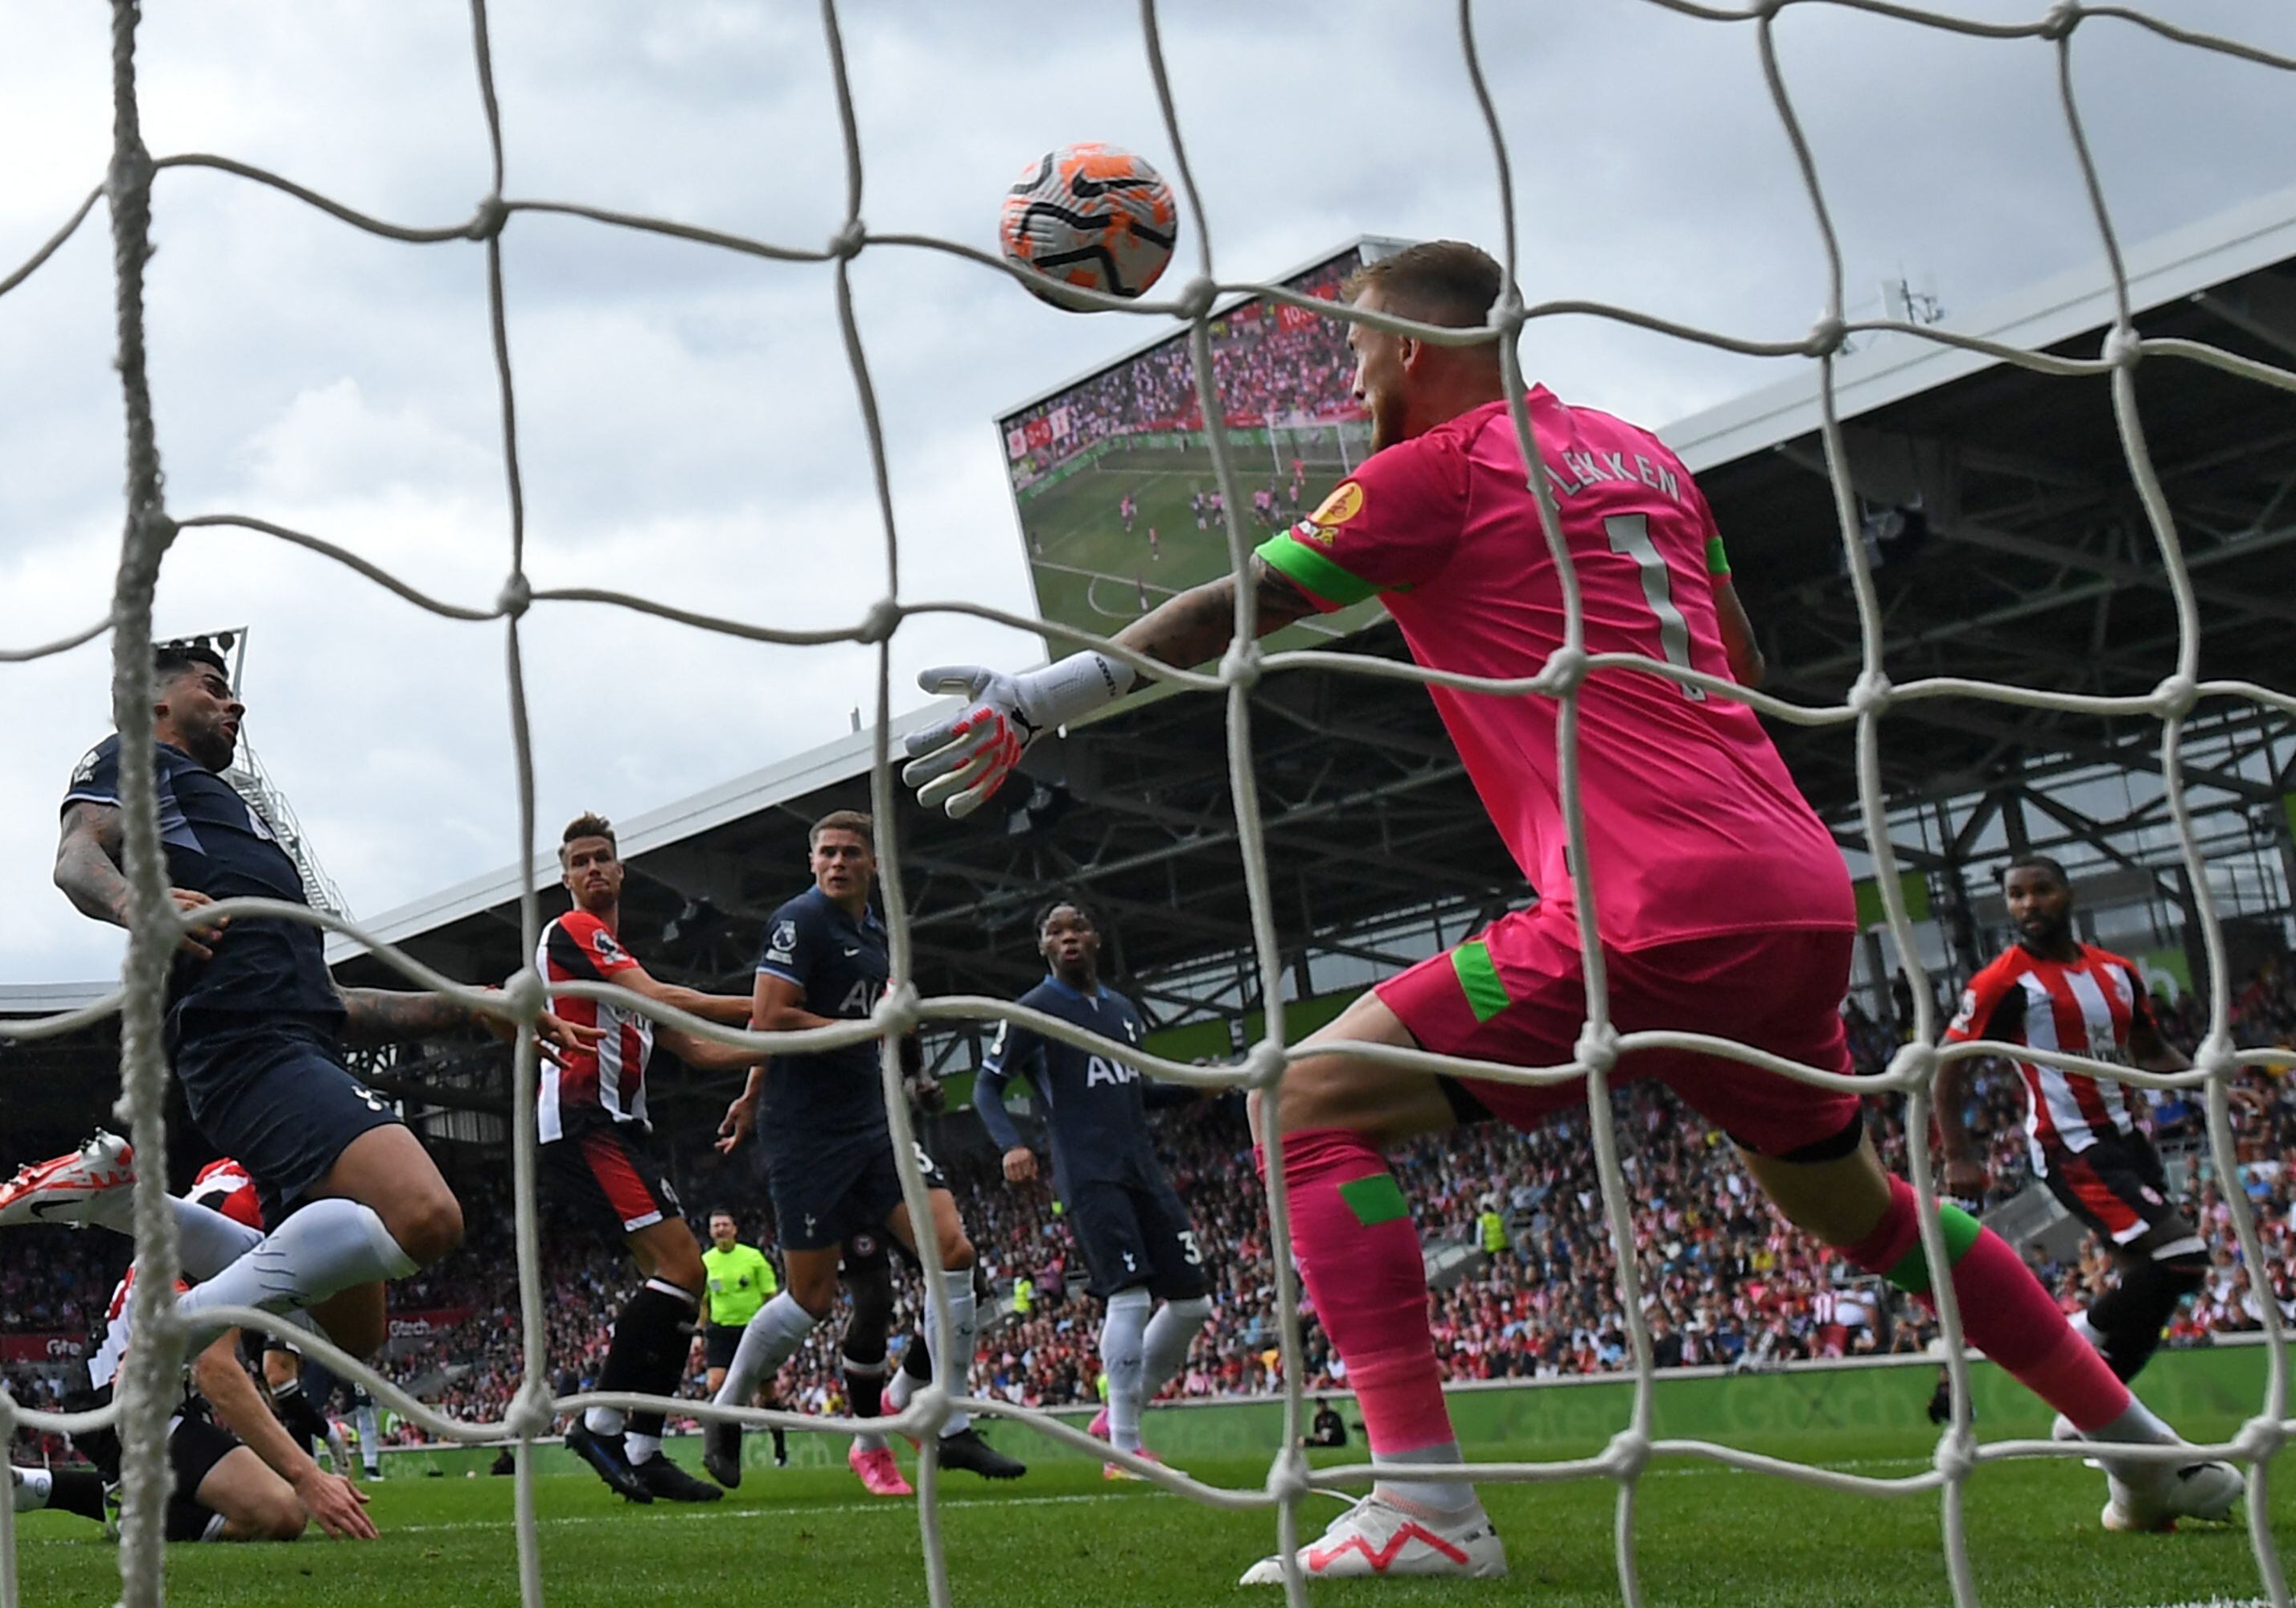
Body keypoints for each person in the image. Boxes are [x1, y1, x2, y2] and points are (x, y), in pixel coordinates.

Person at [901, 240, 2241, 1582]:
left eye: (1358, 349)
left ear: (1412, 351)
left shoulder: (1432, 470)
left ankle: (1424, 1502)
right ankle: (2141, 1446)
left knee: (1300, 1099)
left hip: (1646, 903)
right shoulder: (1639, 454)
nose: (1353, 374)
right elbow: (1747, 657)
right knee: (1862, 1212)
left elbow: (1228, 609)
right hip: (1792, 887)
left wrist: (1037, 699)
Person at [52, 640, 597, 1353]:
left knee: (352, 1335)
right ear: (155, 701)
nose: (233, 702)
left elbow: (334, 1002)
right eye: (212, 687)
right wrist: (136, 905)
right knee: (428, 1217)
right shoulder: (134, 757)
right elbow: (75, 858)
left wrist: (471, 1004)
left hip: (294, 1044)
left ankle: (132, 1203)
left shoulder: (242, 837)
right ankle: (170, 1326)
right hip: (246, 1049)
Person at [700, 810, 1023, 1491]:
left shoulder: (879, 932)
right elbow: (771, 1018)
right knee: (810, 1299)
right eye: (827, 853)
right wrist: (767, 1094)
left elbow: (886, 1021)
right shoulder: (799, 921)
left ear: (874, 863)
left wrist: (908, 1070)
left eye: (851, 853)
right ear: (812, 862)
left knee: (954, 1252)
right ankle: (725, 1408)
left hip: (873, 1126)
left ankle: (949, 1423)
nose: (838, 863)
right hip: (808, 1135)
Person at [0, 1148, 374, 1546]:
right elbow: (215, 1368)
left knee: (273, 1492)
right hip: (119, 1396)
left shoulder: (236, 1178)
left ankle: (37, 1487)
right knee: (280, 1512)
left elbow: (274, 1363)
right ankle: (127, 1508)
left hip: (158, 1387)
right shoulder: (250, 1213)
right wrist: (308, 1477)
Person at [536, 810, 758, 1503]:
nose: (593, 869)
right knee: (685, 1266)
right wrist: (773, 1006)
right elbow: (670, 1001)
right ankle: (601, 1422)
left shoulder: (620, 963)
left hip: (623, 1126)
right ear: (566, 877)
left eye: (602, 857)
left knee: (676, 1285)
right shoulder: (574, 933)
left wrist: (790, 1049)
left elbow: (694, 1046)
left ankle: (643, 1446)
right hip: (584, 1121)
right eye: (580, 862)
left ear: (621, 868)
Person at [1937, 855, 2213, 1390]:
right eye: (2017, 895)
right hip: (2070, 1147)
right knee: (2183, 1256)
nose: (2029, 904)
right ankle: (2064, 1341)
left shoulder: (2117, 972)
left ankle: (2099, 1420)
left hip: (2128, 1141)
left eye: (2041, 890)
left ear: (2068, 893)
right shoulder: (2004, 980)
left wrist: (2211, 1083)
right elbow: (1948, 1074)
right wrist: (1958, 1155)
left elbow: (2151, 1052)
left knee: (2153, 1289)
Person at [973, 899, 1212, 1473]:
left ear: (1097, 938)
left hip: (1143, 1170)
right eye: (1054, 931)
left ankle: (1118, 1415)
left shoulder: (1123, 1011)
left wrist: (1199, 1085)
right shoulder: (1034, 1010)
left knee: (1192, 1305)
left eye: (1077, 926)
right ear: (1043, 947)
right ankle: (1125, 1449)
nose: (1068, 937)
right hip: (1088, 1171)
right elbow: (987, 1087)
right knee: (1128, 1297)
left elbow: (1134, 1089)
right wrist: (1012, 1144)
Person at [700, 1210, 789, 1470]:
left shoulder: (753, 1257)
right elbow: (704, 1302)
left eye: (725, 1224)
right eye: (716, 1226)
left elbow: (770, 1296)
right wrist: (699, 1332)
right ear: (711, 1232)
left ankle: (780, 1450)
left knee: (767, 1393)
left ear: (734, 1229)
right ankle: (726, 1454)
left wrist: (774, 1329)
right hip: (721, 1332)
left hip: (755, 1330)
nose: (721, 1229)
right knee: (717, 1385)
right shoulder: (706, 1262)